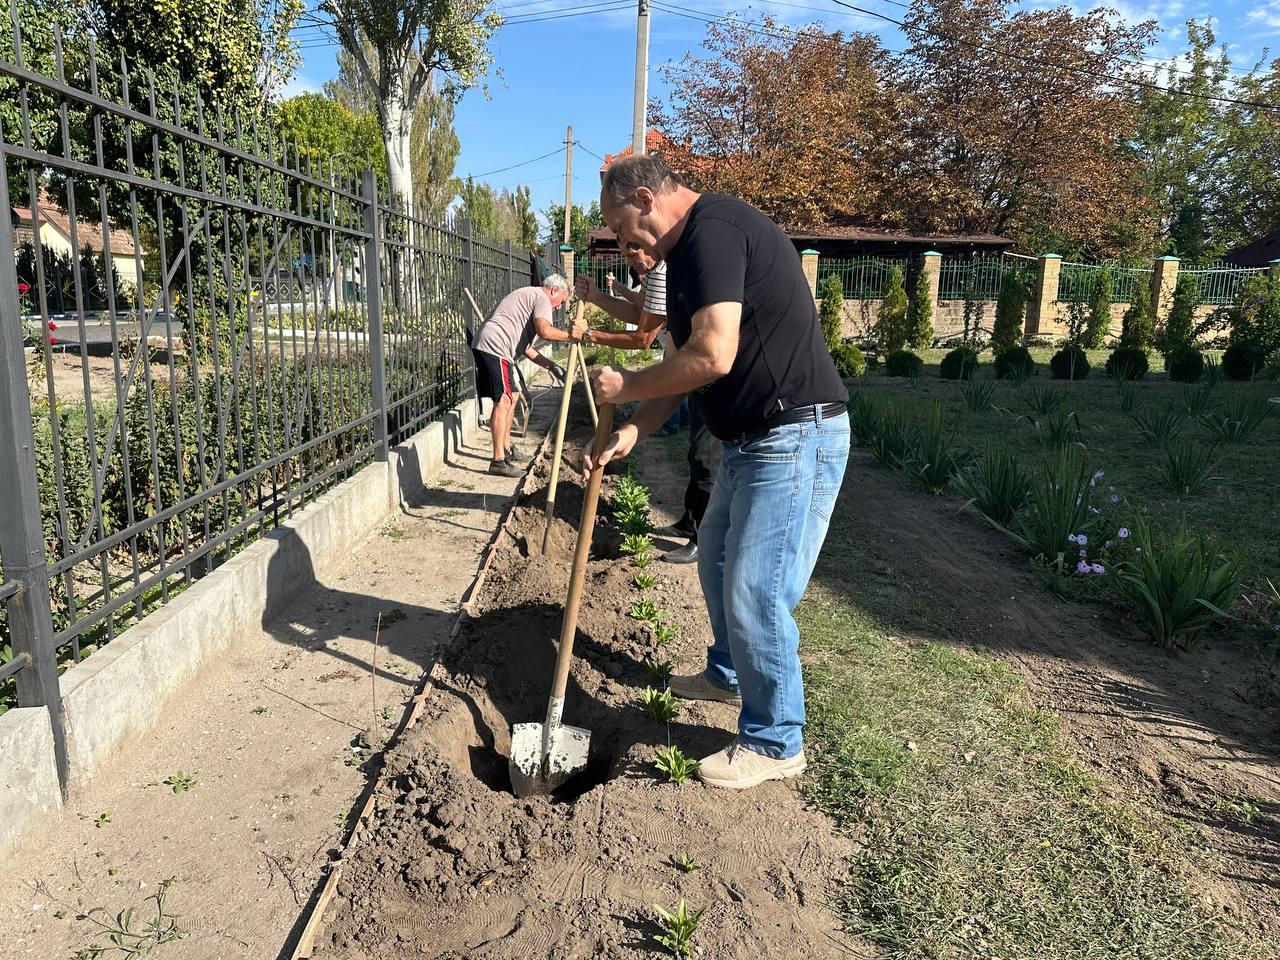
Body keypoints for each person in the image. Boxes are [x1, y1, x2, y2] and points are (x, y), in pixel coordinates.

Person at [583, 155, 850, 790]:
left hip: (792, 435)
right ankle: (727, 673)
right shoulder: (684, 265)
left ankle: (776, 739)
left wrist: (624, 383)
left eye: (621, 229)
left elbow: (713, 355)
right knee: (717, 563)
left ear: (646, 198)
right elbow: (679, 365)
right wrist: (631, 428)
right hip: (751, 443)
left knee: (757, 589)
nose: (624, 246)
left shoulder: (716, 229)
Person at [575, 256, 716, 565]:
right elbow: (640, 311)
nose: (631, 257)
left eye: (633, 246)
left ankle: (703, 539)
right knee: (698, 452)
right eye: (625, 248)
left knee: (707, 457)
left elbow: (643, 337)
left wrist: (590, 335)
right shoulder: (655, 274)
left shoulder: (666, 269)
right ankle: (692, 521)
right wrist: (596, 296)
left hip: (717, 384)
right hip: (689, 371)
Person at [471, 275, 582, 477]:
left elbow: (528, 349)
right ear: (554, 290)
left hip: (495, 345)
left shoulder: (530, 297)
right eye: (561, 302)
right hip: (496, 346)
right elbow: (545, 331)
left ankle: (506, 448)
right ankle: (498, 461)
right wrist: (571, 335)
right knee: (503, 400)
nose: (558, 307)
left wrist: (551, 366)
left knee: (512, 397)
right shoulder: (541, 297)